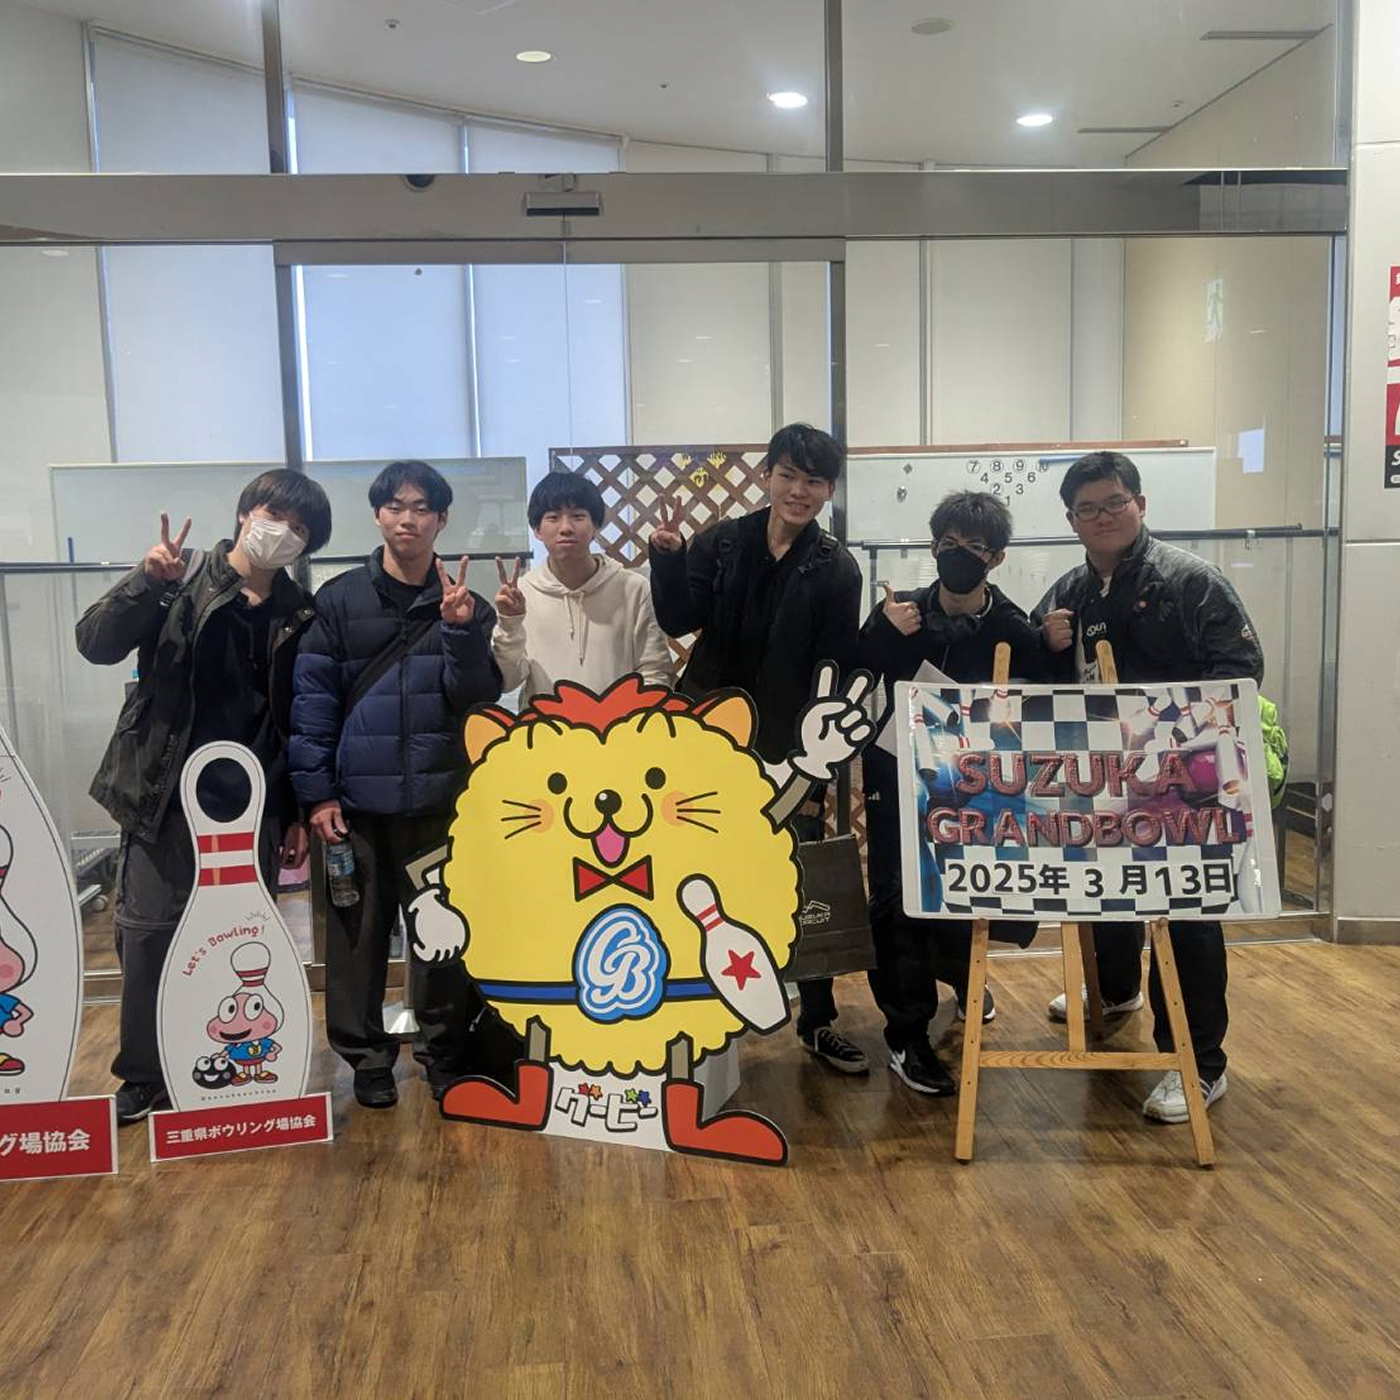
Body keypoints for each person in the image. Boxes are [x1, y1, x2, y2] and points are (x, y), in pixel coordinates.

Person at [76, 470, 333, 1125]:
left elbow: (299, 718)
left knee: (236, 937)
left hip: (253, 804)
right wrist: (146, 582)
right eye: (275, 514)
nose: (284, 532)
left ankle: (220, 1064)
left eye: (300, 529)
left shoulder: (299, 612)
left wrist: (294, 810)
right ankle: (144, 1074)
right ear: (246, 513)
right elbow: (95, 643)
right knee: (150, 936)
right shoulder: (179, 579)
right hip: (163, 793)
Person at [1035, 450, 1264, 1123]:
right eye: (1087, 509)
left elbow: (1241, 671)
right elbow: (1037, 683)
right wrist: (1046, 644)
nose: (1102, 517)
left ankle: (1199, 1063)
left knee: (1185, 917)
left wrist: (1166, 735)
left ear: (1140, 504)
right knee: (1106, 893)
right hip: (1100, 782)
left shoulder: (1190, 581)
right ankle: (1114, 994)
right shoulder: (1069, 592)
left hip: (1184, 786)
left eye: (1114, 502)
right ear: (1071, 520)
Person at [648, 423, 868, 1074]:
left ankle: (818, 1019)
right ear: (766, 474)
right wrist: (667, 558)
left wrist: (817, 758)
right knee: (691, 872)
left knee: (801, 878)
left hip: (789, 747)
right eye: (789, 475)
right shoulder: (723, 542)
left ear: (829, 490)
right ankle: (685, 1013)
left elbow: (832, 666)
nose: (800, 490)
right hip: (706, 738)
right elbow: (677, 618)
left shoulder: (836, 568)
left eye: (814, 480)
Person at [290, 460, 504, 1109]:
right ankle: (368, 1062)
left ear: (441, 520)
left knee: (443, 937)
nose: (407, 519)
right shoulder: (339, 600)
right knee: (356, 941)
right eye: (395, 506)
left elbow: (477, 700)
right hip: (357, 808)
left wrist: (461, 632)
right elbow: (313, 701)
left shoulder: (466, 605)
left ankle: (444, 1055)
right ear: (378, 515)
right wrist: (317, 794)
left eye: (421, 508)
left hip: (441, 805)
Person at [857, 491, 1046, 1096]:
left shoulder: (1014, 628)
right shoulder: (900, 611)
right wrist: (881, 634)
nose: (958, 554)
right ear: (933, 545)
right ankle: (906, 1034)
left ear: (997, 558)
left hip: (976, 788)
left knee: (968, 888)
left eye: (974, 547)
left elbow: (1044, 704)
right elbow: (853, 673)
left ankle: (964, 978)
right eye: (948, 543)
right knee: (897, 896)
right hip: (897, 774)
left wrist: (1056, 646)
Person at [491, 471, 675, 701]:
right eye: (553, 517)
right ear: (537, 530)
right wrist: (510, 624)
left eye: (578, 516)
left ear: (596, 526)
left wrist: (635, 716)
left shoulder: (633, 589)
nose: (566, 527)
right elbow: (509, 681)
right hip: (544, 723)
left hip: (622, 722)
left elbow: (655, 670)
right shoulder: (522, 594)